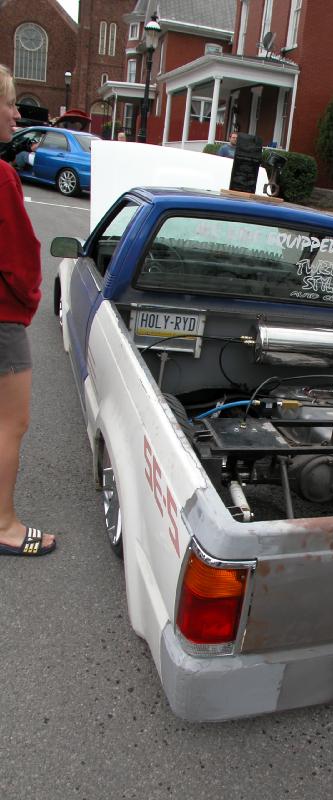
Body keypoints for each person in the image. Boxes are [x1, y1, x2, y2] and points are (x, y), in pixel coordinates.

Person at [0, 65, 56, 557]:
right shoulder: (2, 178)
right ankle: (4, 525)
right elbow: (19, 261)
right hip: (2, 320)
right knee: (10, 424)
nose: (16, 114)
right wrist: (30, 303)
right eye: (8, 103)